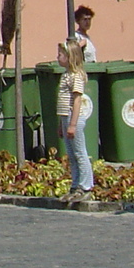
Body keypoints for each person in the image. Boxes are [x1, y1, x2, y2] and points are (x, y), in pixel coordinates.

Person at [56, 40, 93, 203]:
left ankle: (85, 186)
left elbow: (76, 100)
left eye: (60, 55)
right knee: (71, 154)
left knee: (79, 152)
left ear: (69, 57)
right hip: (65, 117)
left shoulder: (76, 76)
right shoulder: (65, 75)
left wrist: (72, 124)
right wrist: (60, 124)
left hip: (73, 118)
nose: (57, 57)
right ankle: (75, 184)